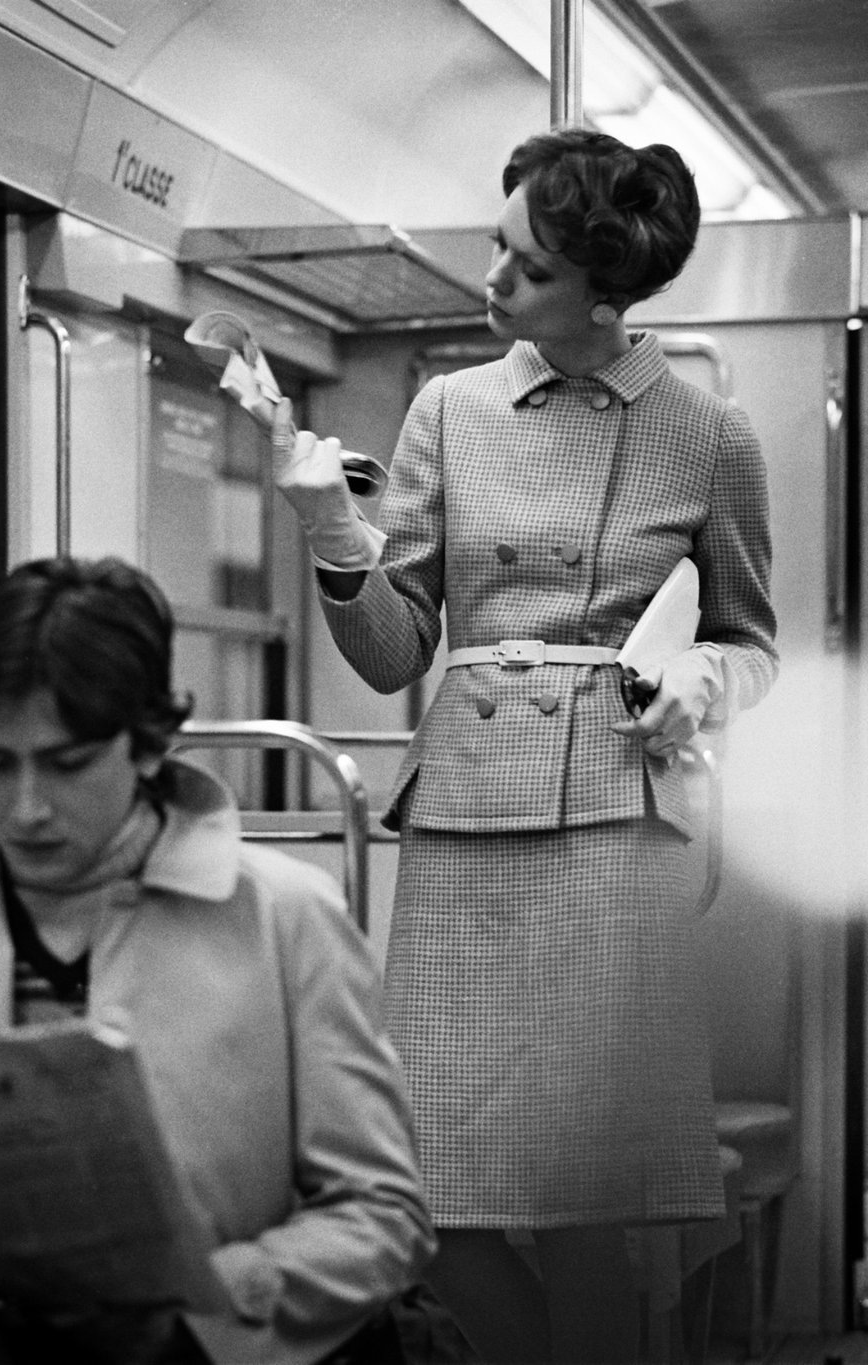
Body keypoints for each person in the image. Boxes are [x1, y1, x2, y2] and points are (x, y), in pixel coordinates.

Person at [270, 128, 777, 1364]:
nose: (490, 285)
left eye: (526, 268)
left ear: (605, 298)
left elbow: (752, 640)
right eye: (497, 249)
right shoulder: (449, 407)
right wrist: (335, 531)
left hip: (615, 823)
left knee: (583, 1204)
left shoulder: (709, 438)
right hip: (463, 821)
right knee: (432, 1190)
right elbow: (397, 653)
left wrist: (700, 682)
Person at [0, 556, 435, 1365]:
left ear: (150, 744)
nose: (25, 807)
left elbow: (383, 1212)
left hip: (200, 1340)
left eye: (67, 763)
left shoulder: (283, 916)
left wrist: (205, 1308)